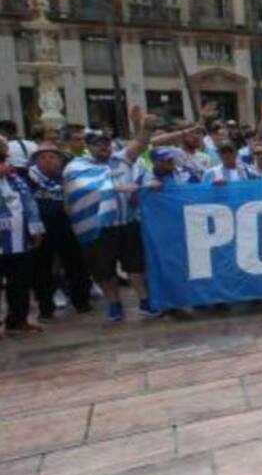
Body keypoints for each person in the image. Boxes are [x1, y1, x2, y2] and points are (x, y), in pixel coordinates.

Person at [63, 122, 159, 322]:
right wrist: (114, 186)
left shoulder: (121, 159)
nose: (103, 147)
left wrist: (147, 126)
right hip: (98, 227)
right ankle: (114, 305)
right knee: (103, 270)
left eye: (106, 143)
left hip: (127, 222)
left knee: (135, 266)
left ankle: (144, 301)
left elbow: (141, 144)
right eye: (97, 144)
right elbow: (82, 188)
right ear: (88, 147)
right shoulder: (76, 166)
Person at [22, 142, 91, 317]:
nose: (47, 161)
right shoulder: (27, 179)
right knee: (41, 269)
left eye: (52, 157)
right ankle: (46, 308)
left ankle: (81, 301)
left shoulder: (69, 178)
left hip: (67, 228)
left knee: (76, 265)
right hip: (40, 231)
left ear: (60, 160)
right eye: (42, 157)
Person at [0, 137, 45, 337]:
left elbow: (29, 202)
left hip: (19, 238)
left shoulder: (14, 176)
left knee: (20, 282)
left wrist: (35, 228)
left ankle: (17, 321)